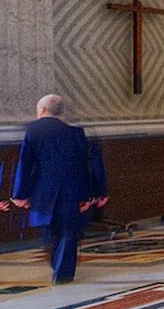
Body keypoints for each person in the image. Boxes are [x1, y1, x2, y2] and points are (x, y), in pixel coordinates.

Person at [9, 95, 107, 283]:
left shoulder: (33, 131)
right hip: (73, 189)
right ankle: (62, 272)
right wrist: (95, 192)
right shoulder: (76, 133)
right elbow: (86, 165)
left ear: (42, 110)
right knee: (69, 231)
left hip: (43, 190)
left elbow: (25, 164)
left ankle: (59, 266)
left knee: (49, 229)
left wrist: (19, 194)